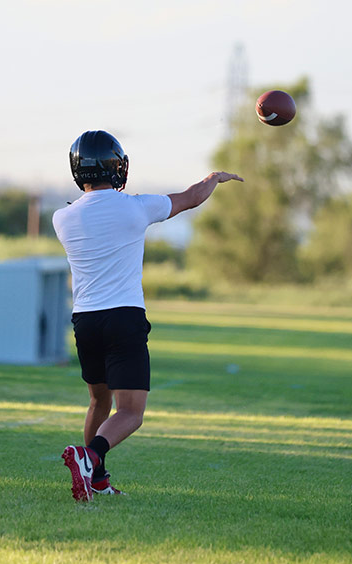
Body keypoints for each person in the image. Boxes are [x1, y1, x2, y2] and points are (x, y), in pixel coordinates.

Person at [53, 130, 243, 501]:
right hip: (123, 317)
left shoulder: (63, 218)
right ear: (117, 166)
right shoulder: (135, 207)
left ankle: (97, 479)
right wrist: (213, 179)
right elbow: (190, 198)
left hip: (85, 321)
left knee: (99, 402)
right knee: (131, 412)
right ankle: (89, 457)